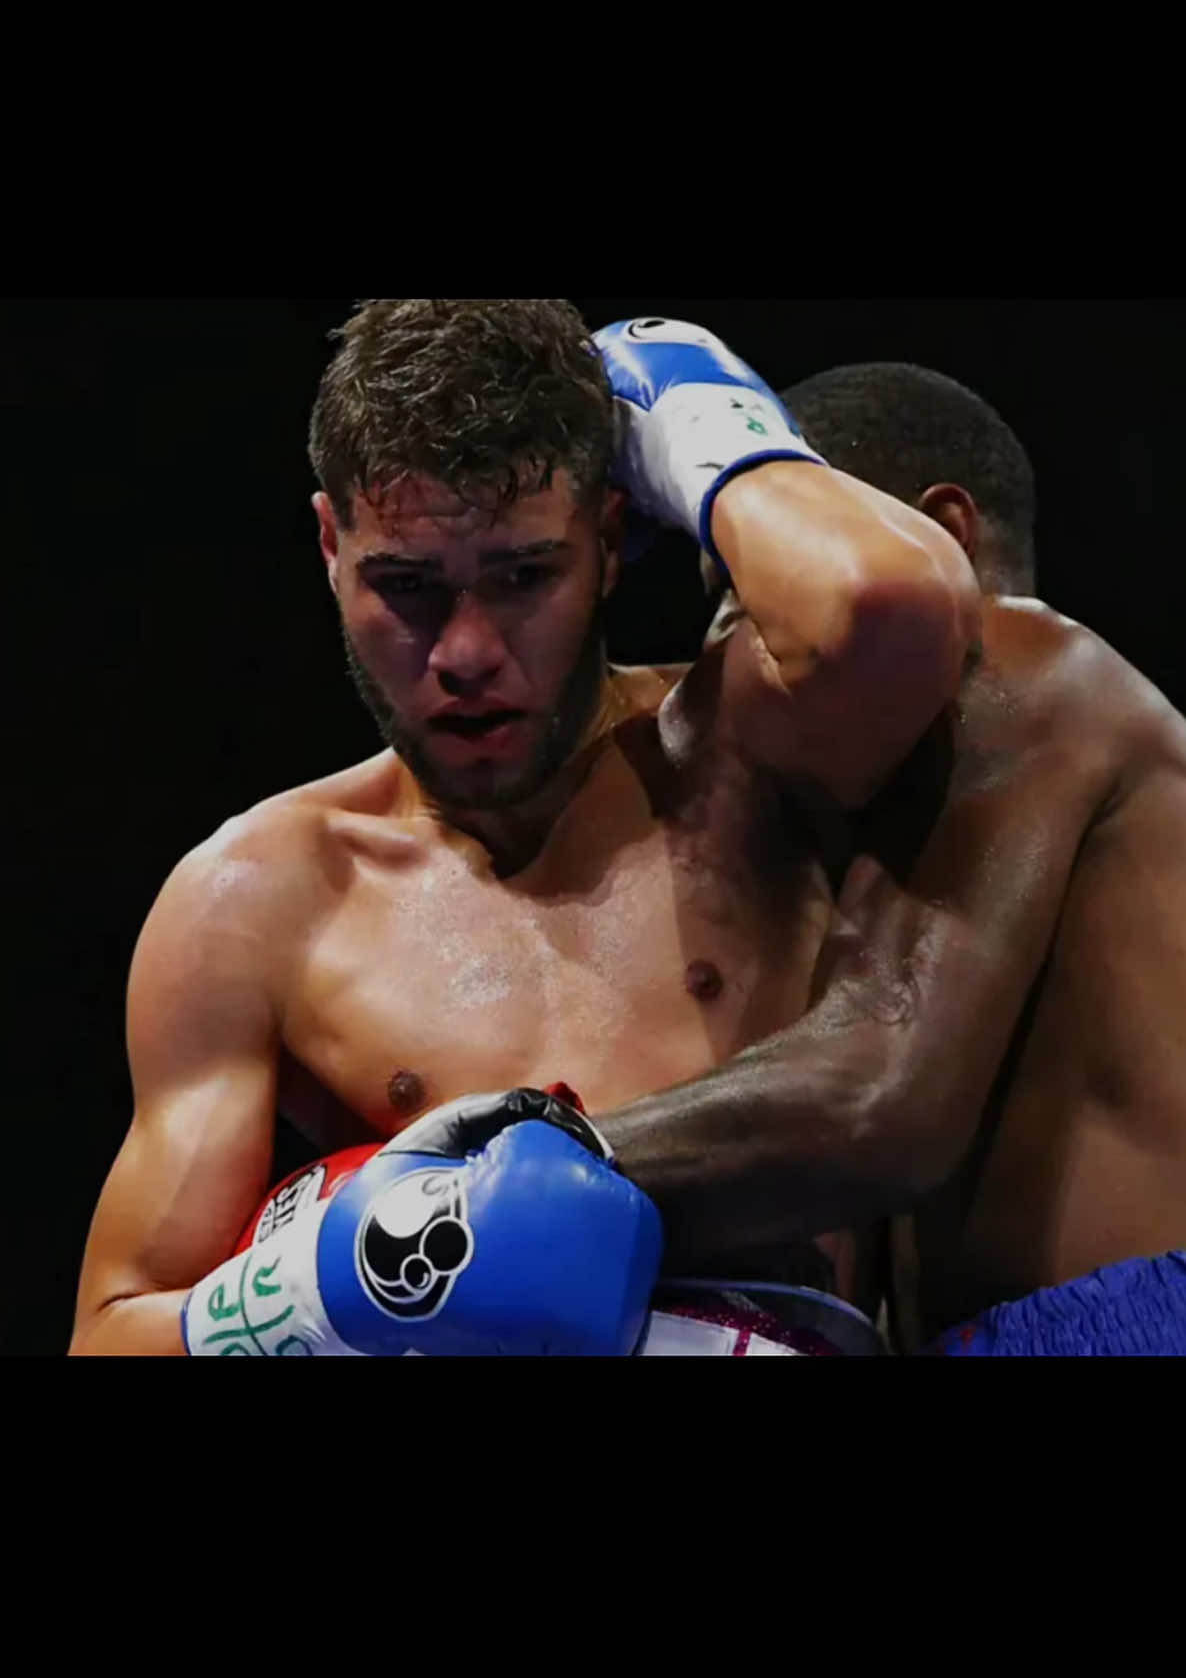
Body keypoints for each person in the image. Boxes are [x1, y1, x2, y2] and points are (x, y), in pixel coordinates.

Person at [68, 306, 978, 1356]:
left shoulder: (757, 765)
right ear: (329, 545)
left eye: (522, 577)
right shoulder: (260, 900)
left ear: (606, 539)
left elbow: (897, 603)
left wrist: (688, 422)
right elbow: (109, 1330)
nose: (463, 652)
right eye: (405, 587)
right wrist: (322, 1296)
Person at [655, 359, 1186, 1355]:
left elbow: (874, 1102)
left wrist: (491, 1172)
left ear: (937, 539)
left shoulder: (1022, 659)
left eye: (757, 601)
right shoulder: (901, 843)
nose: (733, 659)